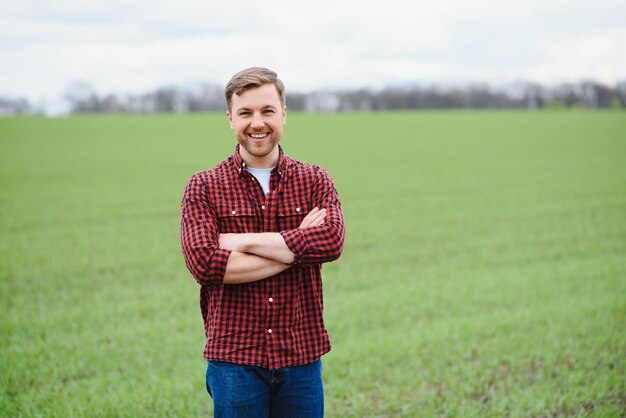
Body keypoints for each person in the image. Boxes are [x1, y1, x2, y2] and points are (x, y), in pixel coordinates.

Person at [180, 67, 345, 417]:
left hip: (300, 358)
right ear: (230, 118)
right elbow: (205, 263)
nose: (258, 123)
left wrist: (238, 241)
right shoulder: (203, 187)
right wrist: (299, 245)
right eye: (246, 113)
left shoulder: (315, 180)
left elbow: (330, 241)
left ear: (283, 113)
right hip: (234, 361)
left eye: (267, 111)